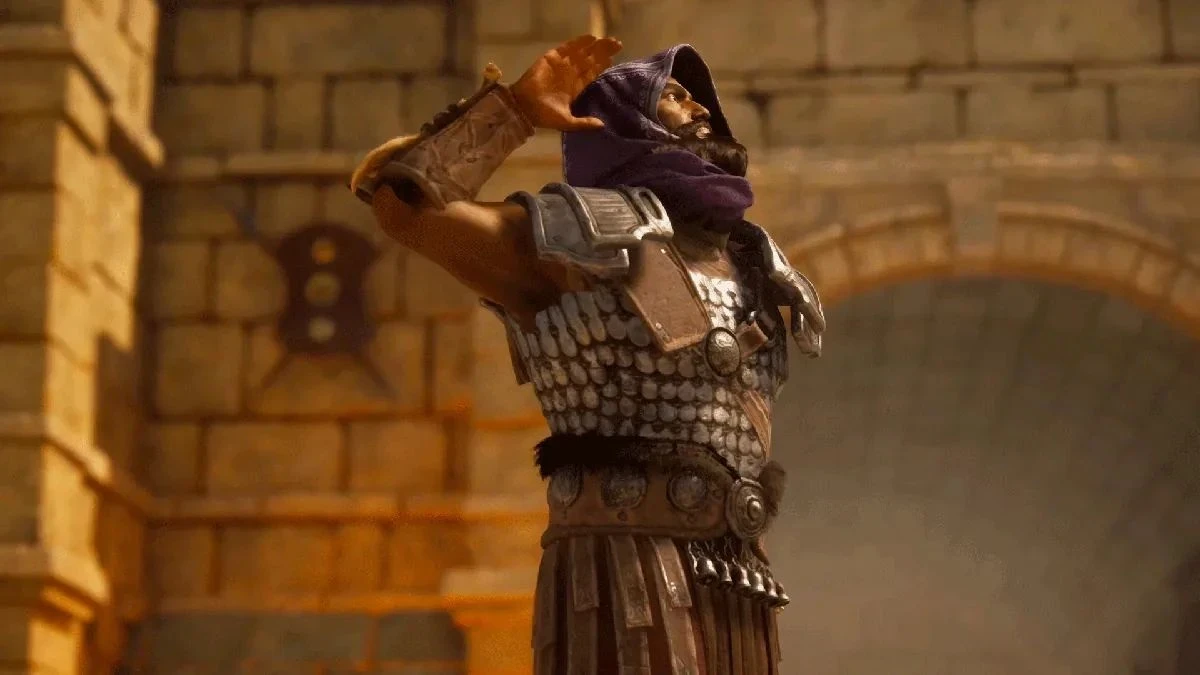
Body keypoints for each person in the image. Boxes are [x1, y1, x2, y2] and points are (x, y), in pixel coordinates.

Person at [351, 34, 825, 675]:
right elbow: (404, 209)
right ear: (619, 123)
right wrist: (515, 110)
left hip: (738, 573)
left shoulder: (753, 260)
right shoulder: (580, 237)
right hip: (618, 570)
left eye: (697, 99)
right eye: (673, 96)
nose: (699, 109)